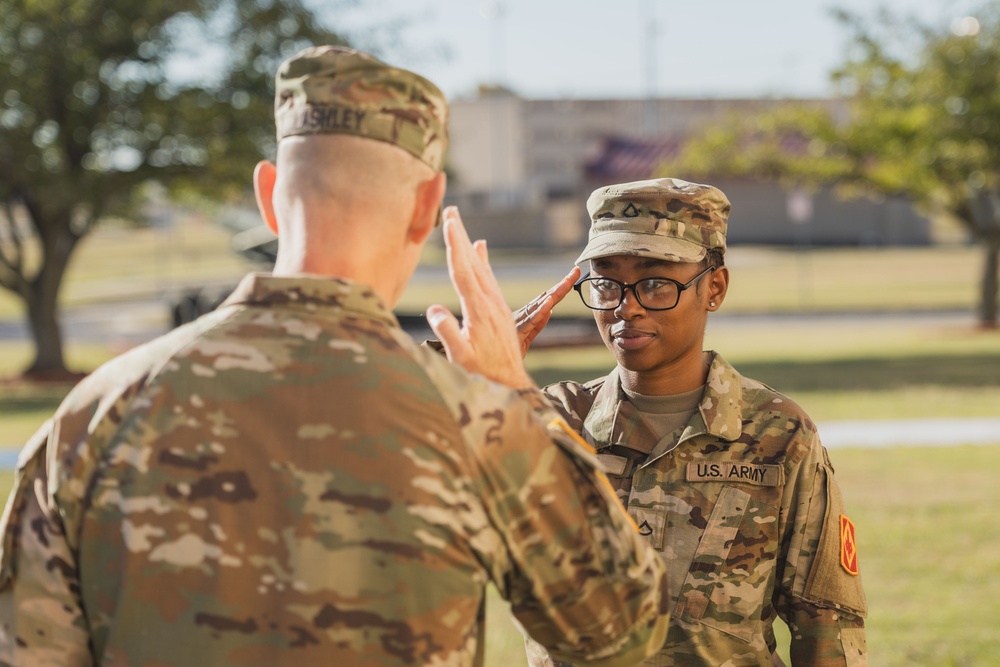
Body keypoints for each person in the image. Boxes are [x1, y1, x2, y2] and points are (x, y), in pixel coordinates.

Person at [0, 47, 671, 666]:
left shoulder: (95, 412)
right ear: (427, 207)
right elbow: (624, 631)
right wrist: (517, 400)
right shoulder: (474, 419)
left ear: (268, 195)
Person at [508, 178, 869, 666]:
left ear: (714, 288)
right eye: (606, 283)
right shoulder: (548, 422)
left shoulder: (777, 434)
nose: (626, 306)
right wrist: (459, 367)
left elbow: (826, 624)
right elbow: (412, 498)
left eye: (656, 283)